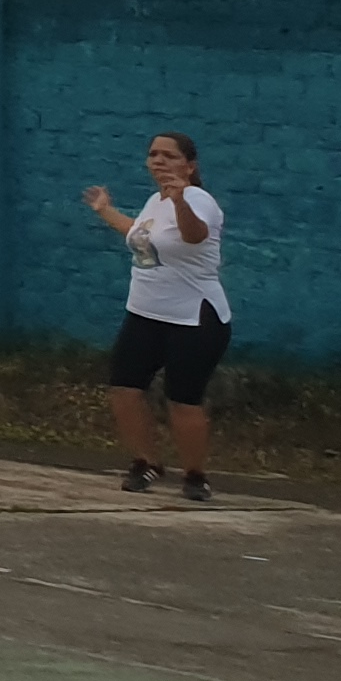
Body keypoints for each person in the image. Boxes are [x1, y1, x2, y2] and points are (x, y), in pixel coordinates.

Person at [86, 133, 231, 503]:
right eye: (153, 154)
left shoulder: (199, 200)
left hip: (193, 317)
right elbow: (142, 236)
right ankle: (146, 462)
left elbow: (194, 236)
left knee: (183, 399)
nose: (159, 161)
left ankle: (195, 476)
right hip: (145, 314)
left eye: (169, 155)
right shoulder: (155, 201)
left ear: (189, 165)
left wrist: (180, 200)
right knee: (124, 389)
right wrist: (105, 210)